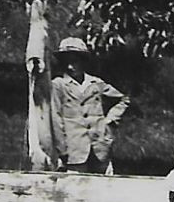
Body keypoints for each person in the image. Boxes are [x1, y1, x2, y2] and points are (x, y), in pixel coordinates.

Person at [48, 36, 130, 173]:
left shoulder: (96, 83)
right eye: (66, 62)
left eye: (74, 62)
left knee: (103, 187)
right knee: (76, 188)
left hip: (100, 148)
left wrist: (109, 121)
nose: (70, 66)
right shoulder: (58, 85)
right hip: (74, 152)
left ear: (83, 61)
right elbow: (55, 119)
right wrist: (62, 150)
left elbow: (123, 100)